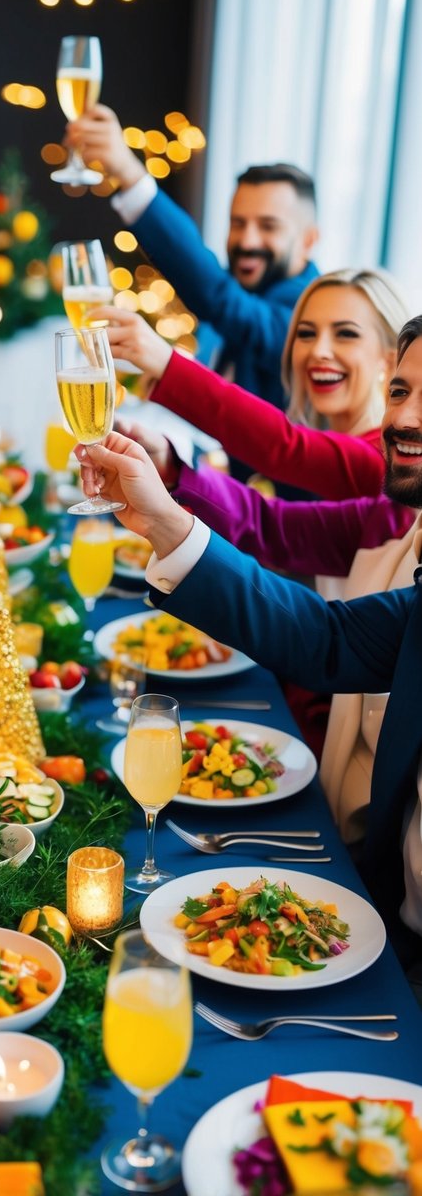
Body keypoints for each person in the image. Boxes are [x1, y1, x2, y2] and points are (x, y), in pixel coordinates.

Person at [76, 316, 422, 964]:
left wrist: (161, 362)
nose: (402, 419)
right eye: (400, 393)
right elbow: (323, 636)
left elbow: (287, 449)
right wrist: (165, 511)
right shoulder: (398, 516)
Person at [65, 103, 319, 410]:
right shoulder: (238, 299)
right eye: (237, 223)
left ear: (309, 240)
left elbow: (220, 299)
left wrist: (130, 175)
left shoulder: (312, 316)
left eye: (268, 226)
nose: (247, 240)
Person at [92, 266, 408, 503]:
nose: (318, 351)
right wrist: (171, 468)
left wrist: (167, 363)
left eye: (346, 334)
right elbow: (268, 527)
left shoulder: (383, 462)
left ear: (391, 361)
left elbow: (283, 447)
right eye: (306, 333)